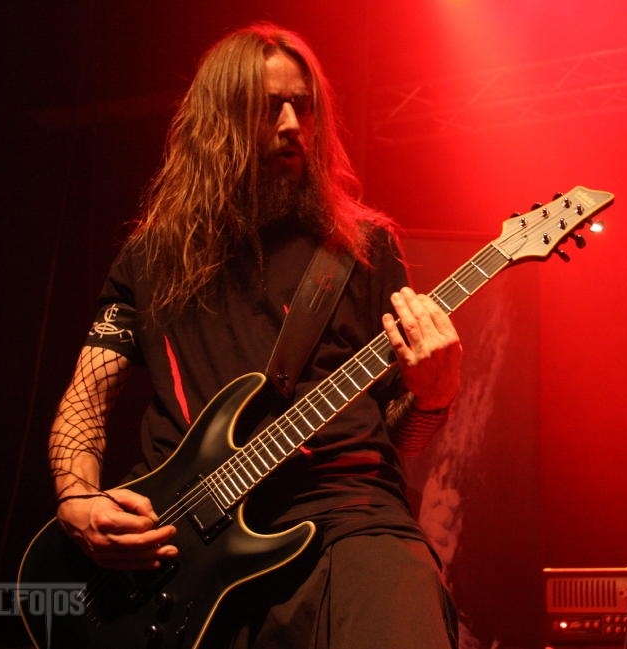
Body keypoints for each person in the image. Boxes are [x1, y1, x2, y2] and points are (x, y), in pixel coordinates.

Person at [49, 22, 462, 649]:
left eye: (304, 106)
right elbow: (85, 400)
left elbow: (398, 439)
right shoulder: (151, 257)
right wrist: (77, 502)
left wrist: (434, 397)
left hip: (349, 524)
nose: (293, 125)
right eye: (270, 108)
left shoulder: (362, 248)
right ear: (218, 120)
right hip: (179, 550)